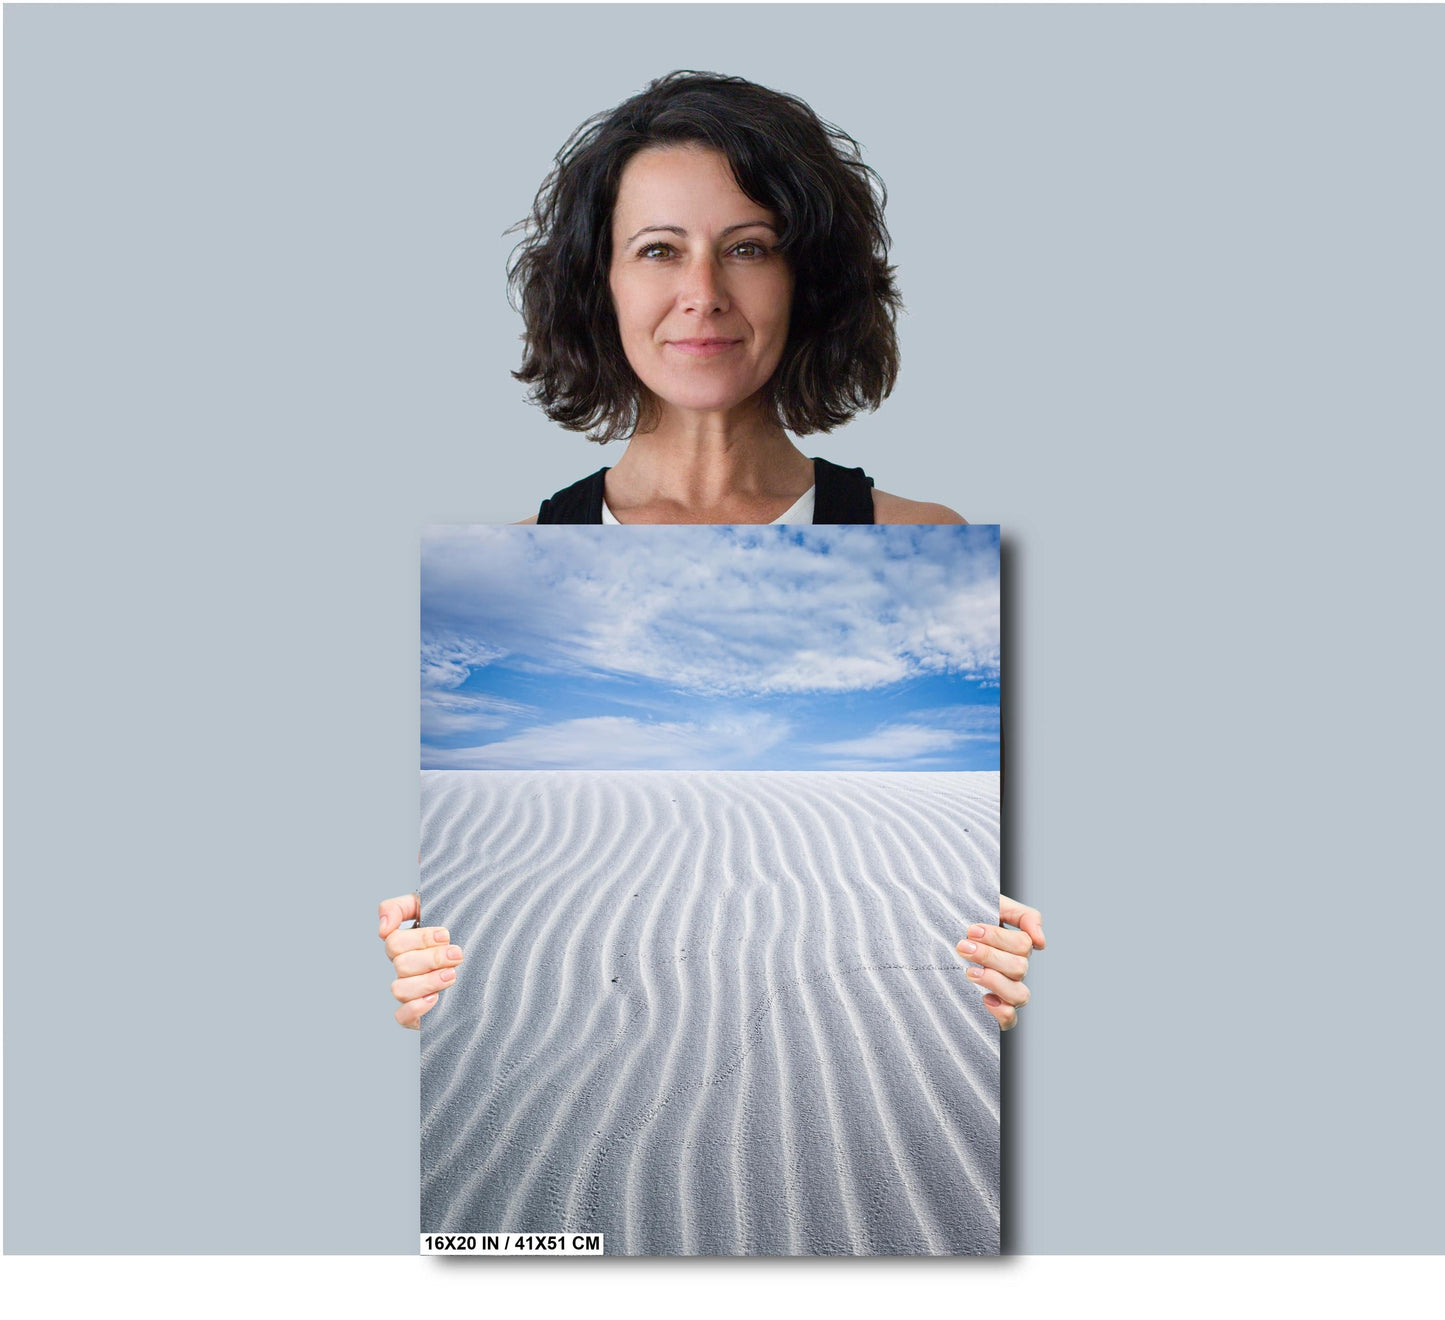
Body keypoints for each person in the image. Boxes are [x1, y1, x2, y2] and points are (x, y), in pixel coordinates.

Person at [382, 71, 1045, 1033]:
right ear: (599, 283)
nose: (702, 294)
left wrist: (1003, 965)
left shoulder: (921, 537)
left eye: (749, 249)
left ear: (804, 279)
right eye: (658, 250)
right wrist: (422, 981)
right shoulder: (516, 559)